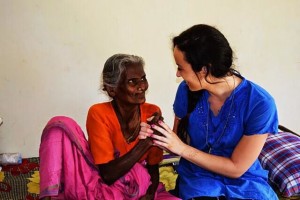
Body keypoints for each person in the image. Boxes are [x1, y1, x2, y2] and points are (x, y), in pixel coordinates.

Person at [139, 24, 279, 200]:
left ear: (204, 69)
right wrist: (158, 136)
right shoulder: (186, 91)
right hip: (198, 178)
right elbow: (179, 140)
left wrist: (181, 148)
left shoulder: (260, 104)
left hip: (245, 182)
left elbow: (236, 168)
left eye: (181, 67)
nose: (177, 74)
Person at [39, 54, 180, 200]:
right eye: (132, 81)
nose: (142, 86)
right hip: (102, 187)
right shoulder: (98, 113)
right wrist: (146, 143)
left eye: (143, 78)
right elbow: (107, 175)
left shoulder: (152, 112)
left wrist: (150, 194)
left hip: (138, 187)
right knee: (59, 125)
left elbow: (152, 166)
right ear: (112, 90)